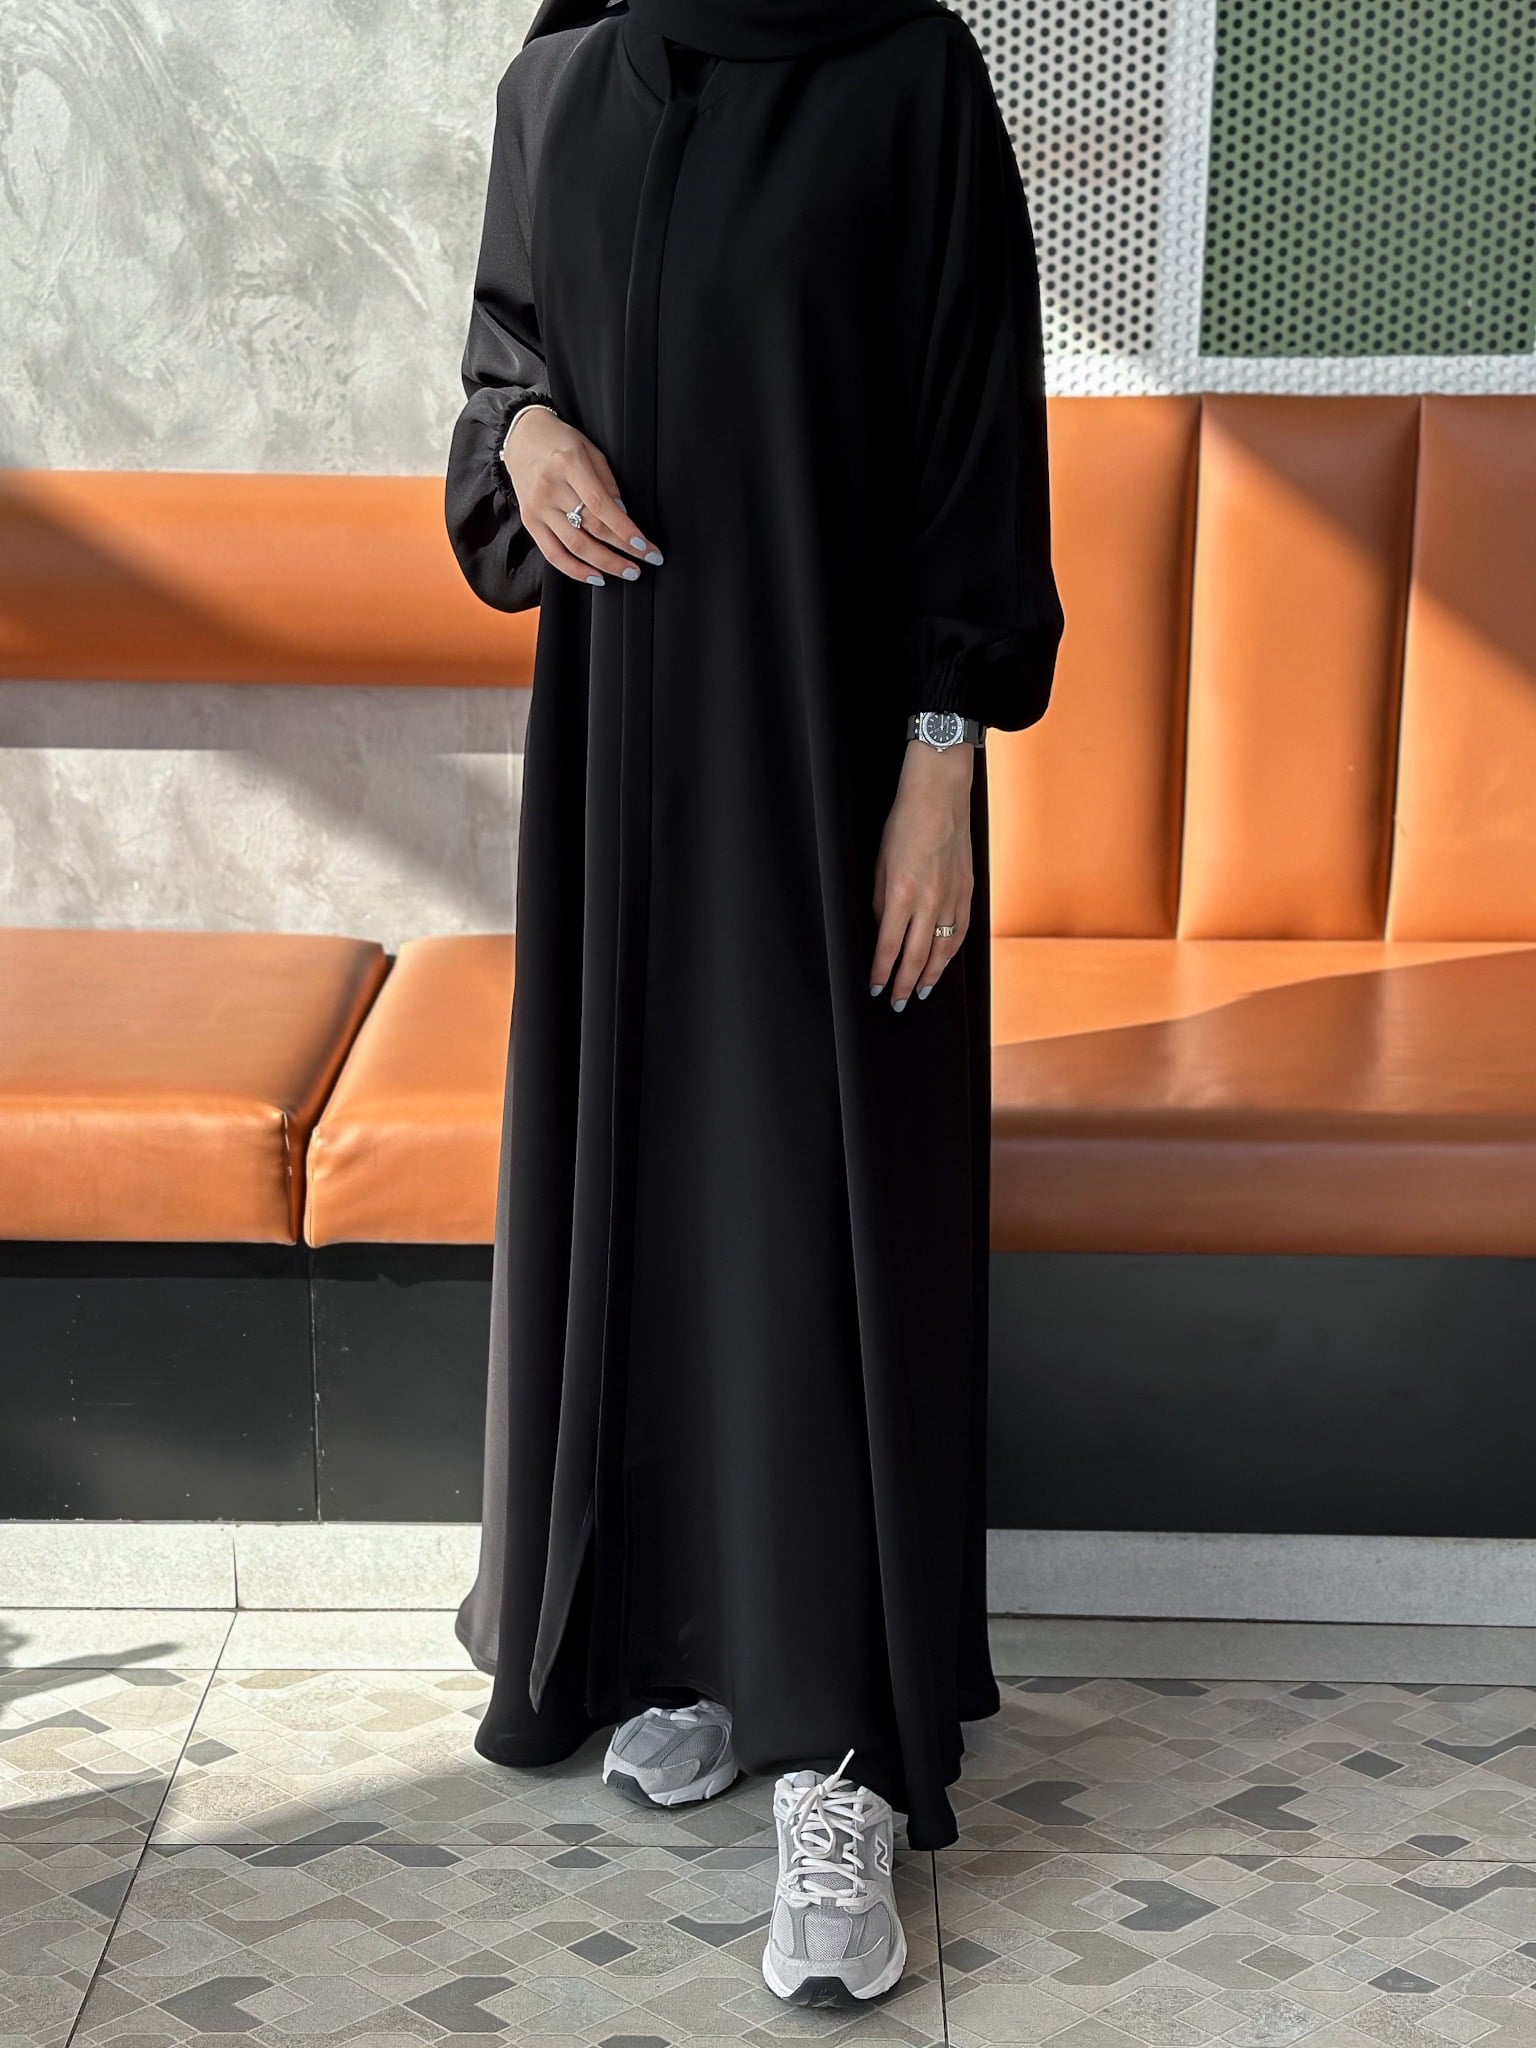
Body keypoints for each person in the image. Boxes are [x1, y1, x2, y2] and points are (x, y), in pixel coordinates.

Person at [443, 0, 1063, 2008]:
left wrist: (943, 762)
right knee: (651, 1200)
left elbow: (976, 426)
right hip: (625, 770)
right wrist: (524, 435)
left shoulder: (910, 76)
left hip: (829, 762)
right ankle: (693, 1652)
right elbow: (503, 362)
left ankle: (846, 1756)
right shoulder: (559, 84)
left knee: (819, 1222)